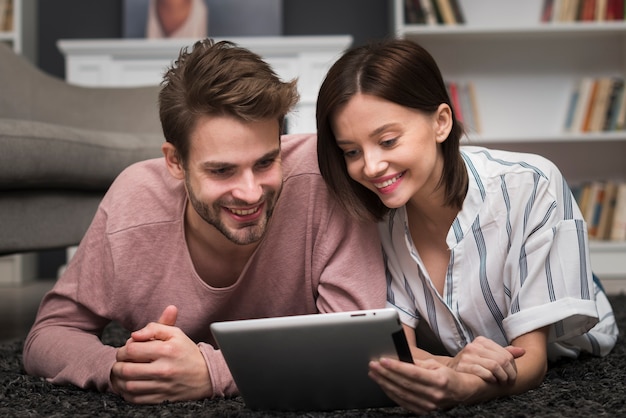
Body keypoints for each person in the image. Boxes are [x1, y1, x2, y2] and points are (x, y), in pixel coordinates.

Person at [23, 38, 387, 404]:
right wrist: (121, 368)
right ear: (175, 162)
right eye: (222, 170)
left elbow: (363, 349)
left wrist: (213, 372)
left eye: (265, 162)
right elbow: (49, 334)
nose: (250, 193)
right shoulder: (133, 204)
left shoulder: (325, 176)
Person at [316, 38, 618, 414]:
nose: (372, 167)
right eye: (352, 151)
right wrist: (453, 365)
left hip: (561, 311)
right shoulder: (372, 216)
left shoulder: (529, 185)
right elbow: (397, 356)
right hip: (464, 336)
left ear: (441, 122)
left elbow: (532, 361)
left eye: (388, 140)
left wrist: (462, 387)